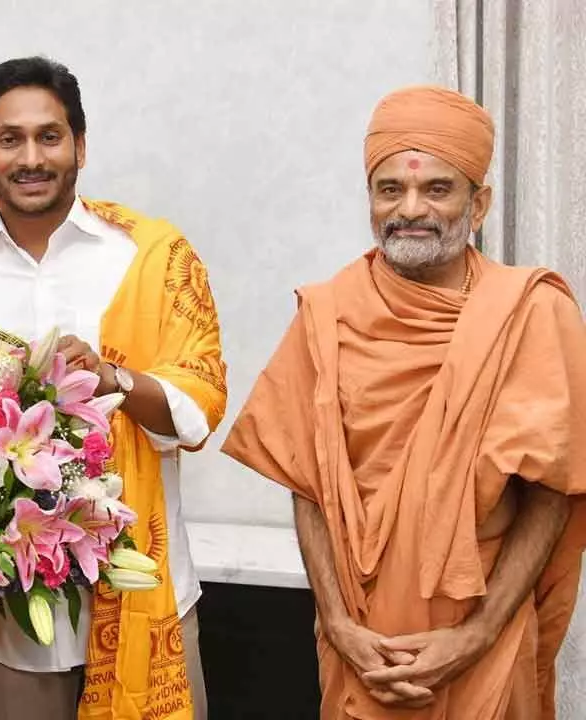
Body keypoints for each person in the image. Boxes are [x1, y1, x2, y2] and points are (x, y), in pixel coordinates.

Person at [222, 85, 586, 719]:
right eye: (390, 189)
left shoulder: (530, 312)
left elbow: (550, 494)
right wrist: (338, 624)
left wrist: (472, 638)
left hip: (483, 642)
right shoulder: (327, 315)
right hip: (361, 649)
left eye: (437, 189)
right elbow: (309, 485)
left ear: (479, 206)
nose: (410, 208)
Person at [0, 56, 226, 720]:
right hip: (5, 612)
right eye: (9, 138)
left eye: (49, 137)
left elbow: (198, 407)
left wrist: (114, 379)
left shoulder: (153, 255)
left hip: (143, 589)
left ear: (80, 145)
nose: (30, 157)